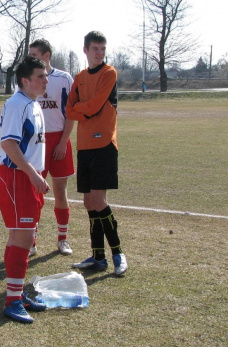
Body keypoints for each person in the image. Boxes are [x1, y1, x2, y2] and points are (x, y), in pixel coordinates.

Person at [65, 31, 128, 276]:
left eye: (102, 49)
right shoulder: (79, 77)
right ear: (86, 50)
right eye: (95, 49)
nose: (99, 53)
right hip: (84, 147)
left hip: (104, 146)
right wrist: (85, 110)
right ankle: (98, 257)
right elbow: (70, 110)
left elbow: (92, 107)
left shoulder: (109, 73)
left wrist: (84, 109)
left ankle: (118, 253)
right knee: (88, 202)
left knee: (99, 201)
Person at [0, 56, 50, 324]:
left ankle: (15, 293)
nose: (45, 80)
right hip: (16, 177)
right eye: (40, 76)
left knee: (19, 237)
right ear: (25, 80)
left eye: (46, 75)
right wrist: (32, 175)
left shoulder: (33, 104)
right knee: (24, 238)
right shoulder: (18, 104)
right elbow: (9, 145)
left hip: (25, 177)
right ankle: (13, 300)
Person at [28, 39, 75, 257]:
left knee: (59, 191)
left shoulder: (63, 79)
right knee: (34, 193)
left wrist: (63, 141)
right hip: (37, 142)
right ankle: (32, 240)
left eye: (35, 54)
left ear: (46, 56)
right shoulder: (28, 79)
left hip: (59, 140)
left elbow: (71, 114)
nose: (31, 58)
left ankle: (63, 239)